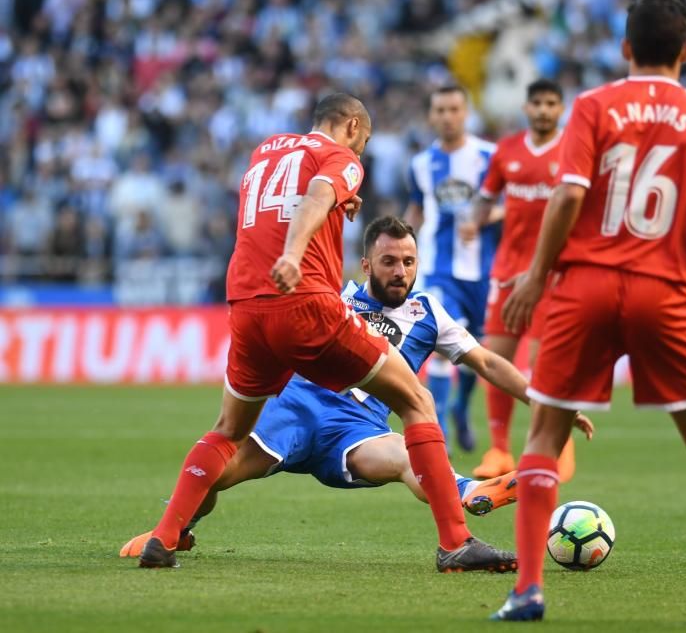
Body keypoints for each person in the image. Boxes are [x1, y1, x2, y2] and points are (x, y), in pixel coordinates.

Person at [492, 0, 686, 624]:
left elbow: (568, 198)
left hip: (584, 288)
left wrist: (536, 276)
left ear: (624, 49)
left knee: (545, 436)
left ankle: (527, 591)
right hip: (664, 290)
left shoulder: (594, 106)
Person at [138, 93, 515, 574]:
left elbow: (289, 199)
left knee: (228, 431)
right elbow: (317, 194)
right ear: (353, 127)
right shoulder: (341, 158)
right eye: (364, 144)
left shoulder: (267, 151)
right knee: (417, 401)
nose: (359, 157)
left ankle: (166, 535)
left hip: (246, 305)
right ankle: (456, 542)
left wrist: (334, 207)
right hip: (305, 303)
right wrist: (295, 254)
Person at [120, 217, 594, 560]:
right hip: (295, 413)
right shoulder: (336, 295)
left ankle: (468, 492)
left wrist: (544, 401)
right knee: (218, 472)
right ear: (367, 263)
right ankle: (176, 528)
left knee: (412, 453)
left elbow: (488, 361)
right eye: (389, 262)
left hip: (357, 431)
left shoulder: (429, 312)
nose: (399, 272)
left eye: (408, 262)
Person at [459, 79, 573, 481]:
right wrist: (474, 222)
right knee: (496, 356)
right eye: (537, 103)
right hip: (508, 270)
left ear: (561, 109)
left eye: (551, 103)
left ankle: (559, 441)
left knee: (548, 363)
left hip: (555, 273)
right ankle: (499, 449)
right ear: (527, 108)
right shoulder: (507, 150)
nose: (543, 110)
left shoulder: (573, 150)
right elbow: (488, 198)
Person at [404, 86, 499, 452]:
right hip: (439, 269)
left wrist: (484, 218)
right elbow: (418, 208)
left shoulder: (489, 156)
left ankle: (461, 408)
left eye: (453, 109)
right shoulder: (420, 164)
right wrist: (399, 235)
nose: (447, 116)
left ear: (466, 112)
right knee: (444, 345)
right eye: (440, 110)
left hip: (482, 270)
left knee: (473, 350)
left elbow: (511, 205)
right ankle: (438, 430)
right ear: (431, 115)